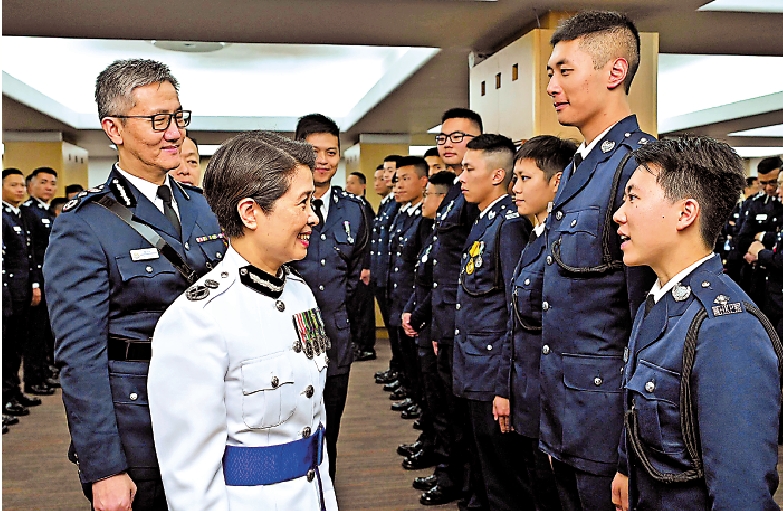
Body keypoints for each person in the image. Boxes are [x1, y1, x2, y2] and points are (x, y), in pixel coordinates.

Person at [44, 59, 225, 511]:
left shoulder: (203, 208)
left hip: (213, 414)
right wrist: (104, 467)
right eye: (157, 120)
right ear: (114, 128)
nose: (174, 133)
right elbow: (80, 357)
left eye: (179, 117)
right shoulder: (84, 226)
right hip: (140, 424)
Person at [148, 131, 337, 511]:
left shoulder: (299, 293)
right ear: (250, 213)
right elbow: (191, 478)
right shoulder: (198, 319)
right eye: (303, 203)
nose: (313, 217)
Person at [611, 135, 781, 511]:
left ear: (685, 214)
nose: (619, 215)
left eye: (633, 198)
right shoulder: (661, 298)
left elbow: (741, 496)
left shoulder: (726, 330)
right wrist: (626, 467)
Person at [539, 11, 656, 510]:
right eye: (550, 73)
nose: (552, 86)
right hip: (566, 413)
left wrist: (631, 453)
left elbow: (649, 320)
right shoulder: (579, 166)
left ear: (615, 71)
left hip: (606, 423)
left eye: (565, 71)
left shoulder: (638, 165)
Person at [454, 134, 532, 511]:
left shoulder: (509, 225)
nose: (461, 177)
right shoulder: (485, 220)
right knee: (486, 469)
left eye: (469, 169)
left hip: (492, 369)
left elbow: (514, 310)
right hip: (476, 364)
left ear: (498, 175)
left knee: (504, 483)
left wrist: (505, 384)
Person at [290, 114, 369, 482]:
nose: (323, 160)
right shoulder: (277, 202)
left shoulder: (354, 209)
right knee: (290, 429)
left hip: (335, 338)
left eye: (331, 152)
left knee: (330, 427)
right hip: (288, 337)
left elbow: (355, 275)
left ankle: (326, 495)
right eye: (313, 151)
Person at [504, 136, 577, 511]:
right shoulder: (535, 237)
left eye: (525, 179)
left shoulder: (562, 245)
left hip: (552, 402)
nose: (514, 189)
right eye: (514, 178)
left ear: (557, 182)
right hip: (529, 393)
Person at [420, 107, 484, 508]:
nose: (447, 144)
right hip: (446, 319)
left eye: (457, 137)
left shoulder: (474, 195)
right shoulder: (456, 191)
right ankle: (453, 479)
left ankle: (463, 487)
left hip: (463, 323)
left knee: (463, 419)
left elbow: (471, 271)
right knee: (447, 410)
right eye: (443, 137)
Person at [401, 170, 456, 491]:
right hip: (426, 324)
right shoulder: (434, 231)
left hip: (436, 325)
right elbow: (423, 280)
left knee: (444, 409)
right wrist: (412, 309)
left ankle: (448, 473)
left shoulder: (447, 235)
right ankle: (440, 462)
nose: (424, 201)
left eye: (429, 195)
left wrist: (418, 314)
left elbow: (440, 286)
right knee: (433, 402)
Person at [2, 168, 43, 417]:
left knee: (15, 347)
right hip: (8, 293)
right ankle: (5, 397)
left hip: (22, 291)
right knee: (5, 348)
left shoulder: (18, 215)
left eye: (21, 185)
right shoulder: (3, 217)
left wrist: (34, 284)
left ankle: (13, 392)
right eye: (13, 185)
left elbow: (29, 257)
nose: (20, 190)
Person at [21, 166, 60, 394]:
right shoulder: (28, 212)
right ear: (31, 186)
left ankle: (44, 373)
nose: (48, 187)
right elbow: (31, 253)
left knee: (46, 332)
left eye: (52, 183)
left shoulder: (47, 212)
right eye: (43, 182)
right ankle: (33, 378)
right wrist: (35, 282)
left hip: (50, 280)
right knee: (34, 334)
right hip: (37, 280)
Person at [732, 156, 783, 309]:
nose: (769, 188)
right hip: (757, 277)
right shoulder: (756, 204)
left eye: (773, 182)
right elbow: (742, 239)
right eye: (763, 183)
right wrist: (758, 252)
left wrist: (762, 237)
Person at [374, 155, 404, 386]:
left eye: (391, 170)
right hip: (384, 273)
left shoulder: (398, 204)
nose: (387, 175)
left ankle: (401, 372)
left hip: (396, 277)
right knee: (394, 331)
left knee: (399, 332)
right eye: (385, 170)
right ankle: (397, 368)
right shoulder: (388, 203)